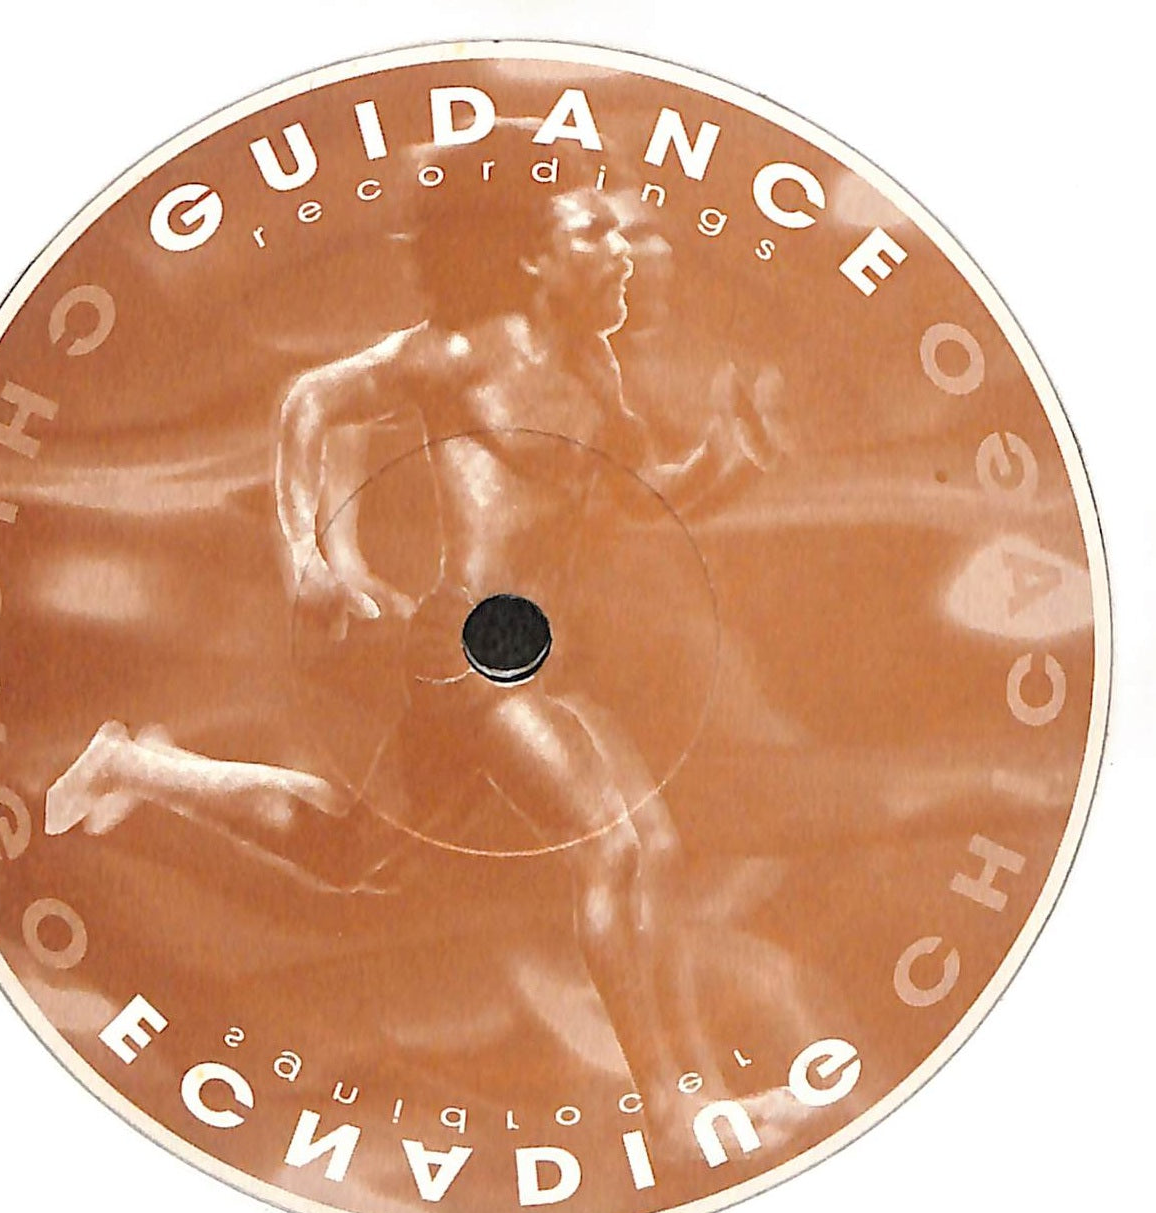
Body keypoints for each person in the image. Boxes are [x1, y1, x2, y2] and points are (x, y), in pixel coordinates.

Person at [45, 142, 798, 1153]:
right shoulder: (459, 352)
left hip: (527, 663)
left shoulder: (593, 370)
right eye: (593, 230)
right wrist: (306, 557)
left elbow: (636, 503)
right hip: (467, 656)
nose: (621, 247)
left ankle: (136, 765)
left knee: (353, 854)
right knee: (620, 848)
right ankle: (674, 1113)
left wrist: (732, 455)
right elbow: (309, 401)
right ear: (532, 257)